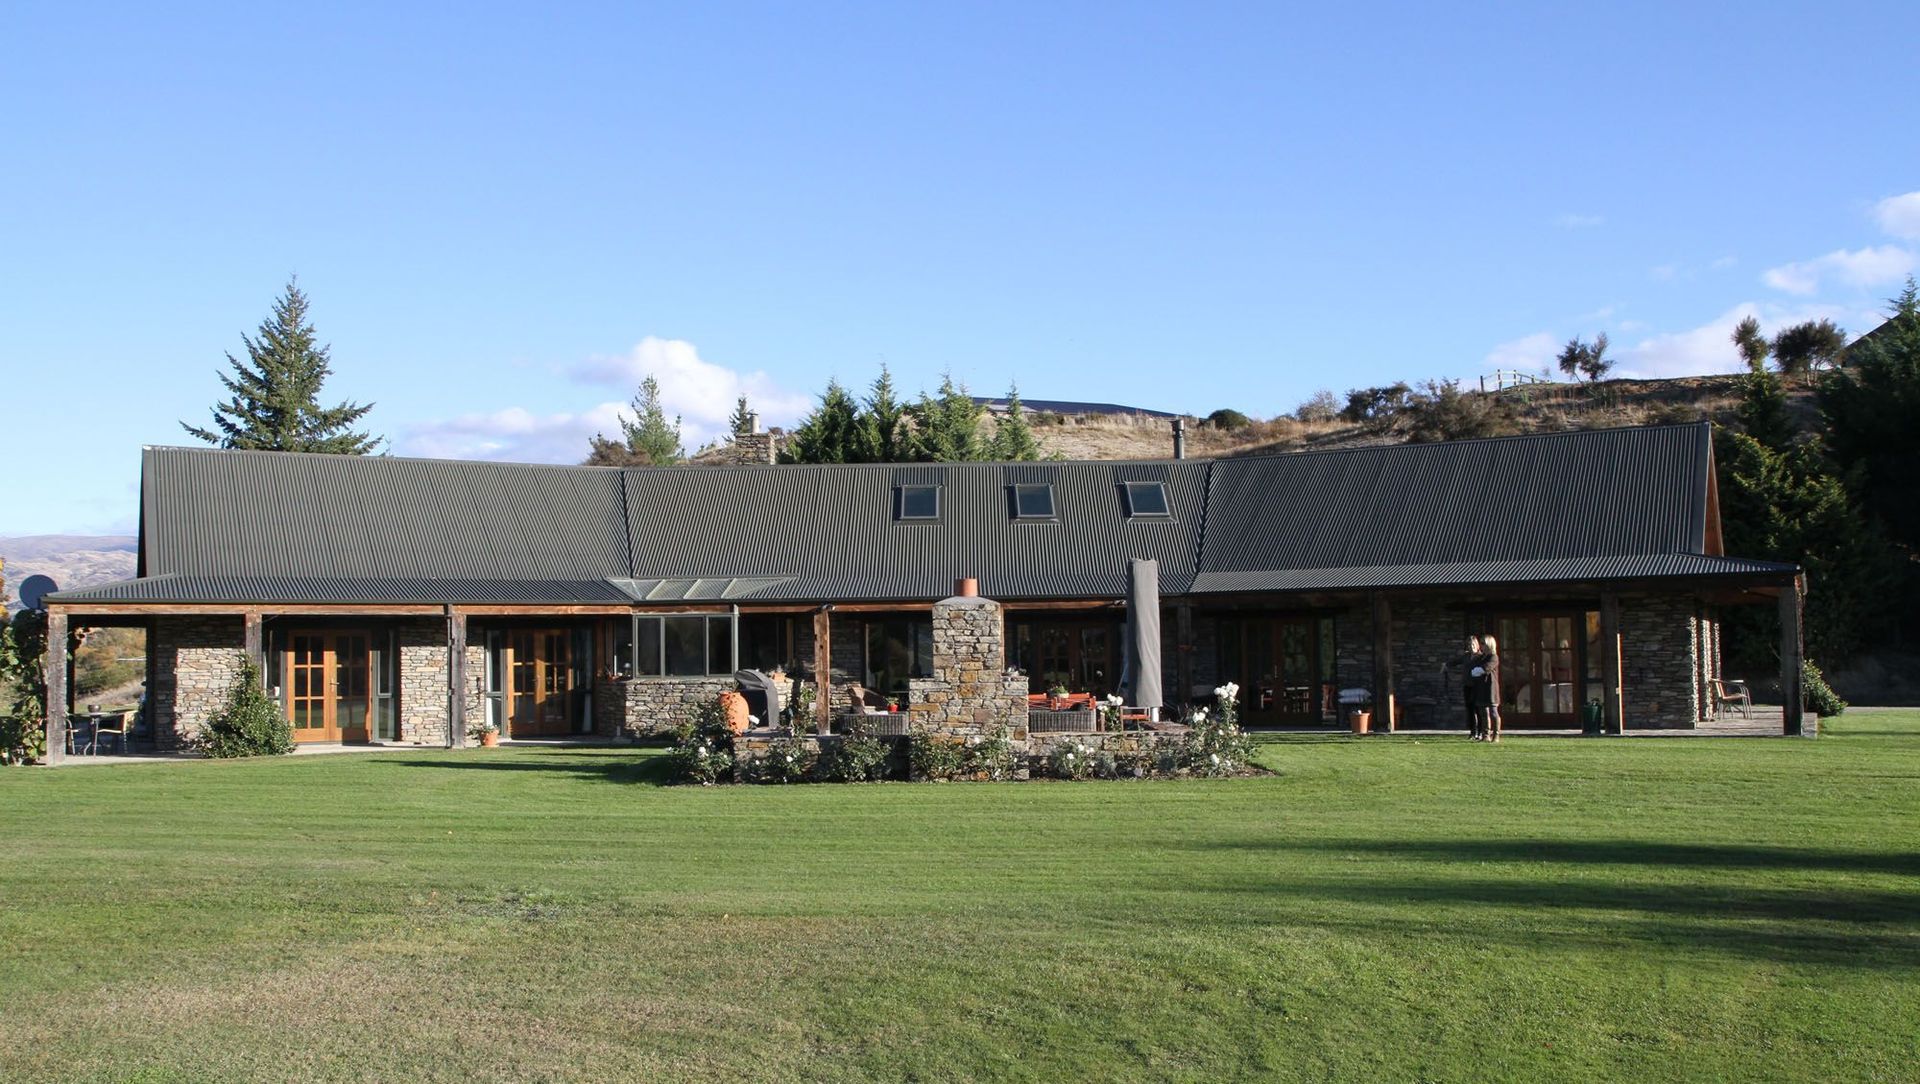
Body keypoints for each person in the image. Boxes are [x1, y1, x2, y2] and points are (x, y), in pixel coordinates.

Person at [1441, 635, 1484, 738]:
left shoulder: (1481, 657)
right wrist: (1446, 665)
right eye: (1469, 645)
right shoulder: (1466, 656)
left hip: (1478, 686)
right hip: (1467, 686)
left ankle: (1481, 732)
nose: (1471, 646)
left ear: (1477, 645)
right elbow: (1455, 661)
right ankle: (1473, 732)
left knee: (1478, 710)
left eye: (1473, 644)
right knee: (1470, 710)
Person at [1476, 635, 1504, 743]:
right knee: (1483, 712)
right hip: (1482, 686)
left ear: (1489, 644)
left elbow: (1487, 668)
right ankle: (1485, 735)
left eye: (1483, 643)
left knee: (1493, 712)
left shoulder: (1494, 657)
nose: (1481, 645)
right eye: (1481, 643)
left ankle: (1496, 735)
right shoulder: (1481, 657)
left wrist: (1478, 670)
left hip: (1491, 687)